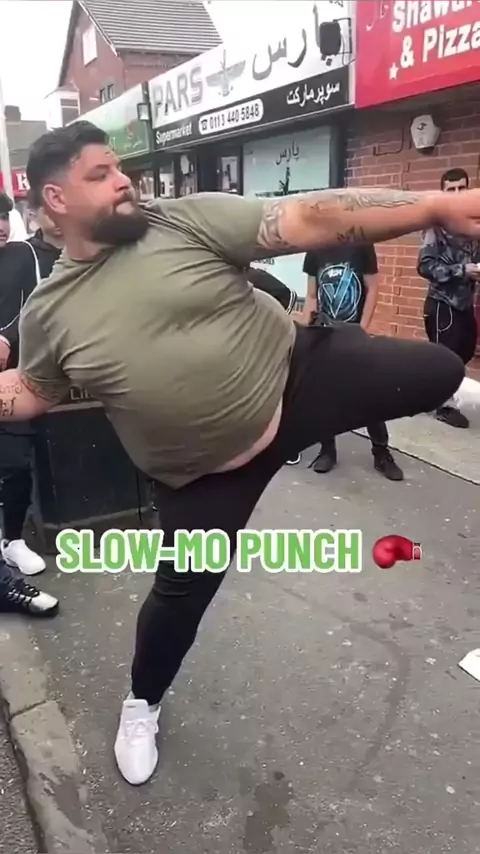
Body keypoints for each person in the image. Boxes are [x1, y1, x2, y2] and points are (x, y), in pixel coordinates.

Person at [0, 121, 474, 785]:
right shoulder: (50, 311)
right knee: (179, 599)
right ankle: (142, 704)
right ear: (56, 198)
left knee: (438, 371)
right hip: (202, 476)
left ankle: (333, 386)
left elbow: (305, 217)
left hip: (297, 382)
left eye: (119, 167)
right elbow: (32, 391)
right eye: (101, 174)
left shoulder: (179, 221)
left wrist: (432, 207)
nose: (123, 181)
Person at [0, 192, 58, 616]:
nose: (0, 226)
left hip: (15, 380)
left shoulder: (23, 255)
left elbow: (36, 304)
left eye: (4, 216)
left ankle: (13, 538)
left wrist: (6, 338)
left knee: (17, 462)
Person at [302, 243, 403, 480]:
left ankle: (381, 453)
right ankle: (327, 451)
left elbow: (372, 289)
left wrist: (362, 330)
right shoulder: (315, 248)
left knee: (368, 396)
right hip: (325, 334)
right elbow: (312, 295)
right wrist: (307, 332)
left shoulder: (361, 246)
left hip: (354, 333)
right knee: (324, 397)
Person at [418, 167, 480, 428]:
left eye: (461, 188)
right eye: (450, 190)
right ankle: (442, 405)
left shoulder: (471, 226)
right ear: (443, 193)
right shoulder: (437, 228)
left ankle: (423, 389)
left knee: (465, 350)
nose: (456, 193)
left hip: (465, 303)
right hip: (442, 303)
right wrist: (463, 271)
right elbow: (425, 267)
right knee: (446, 357)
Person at [247, 265, 302, 465]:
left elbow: (290, 297)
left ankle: (287, 446)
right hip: (248, 341)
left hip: (268, 341)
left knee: (276, 393)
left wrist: (273, 325)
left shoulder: (256, 278)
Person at [27, 193, 64, 278]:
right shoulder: (27, 252)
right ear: (32, 215)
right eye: (49, 212)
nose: (58, 217)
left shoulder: (86, 249)